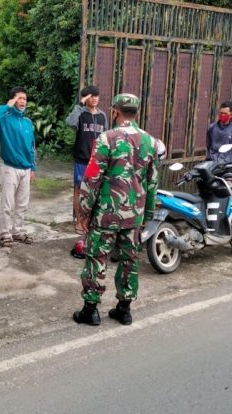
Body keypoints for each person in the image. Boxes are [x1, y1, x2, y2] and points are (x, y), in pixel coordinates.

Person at [73, 93, 159, 326]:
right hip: (135, 215)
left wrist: (84, 211)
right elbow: (152, 184)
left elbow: (91, 179)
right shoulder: (151, 142)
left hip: (106, 214)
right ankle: (124, 309)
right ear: (137, 112)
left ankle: (90, 310)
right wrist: (147, 215)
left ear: (115, 111)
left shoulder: (106, 139)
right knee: (130, 260)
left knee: (97, 257)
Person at [0, 86, 37, 247]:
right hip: (10, 168)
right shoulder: (4, 118)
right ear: (12, 100)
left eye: (25, 99)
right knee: (7, 204)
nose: (22, 102)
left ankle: (18, 231)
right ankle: (5, 234)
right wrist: (7, 106)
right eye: (19, 98)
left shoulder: (27, 122)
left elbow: (32, 147)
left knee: (22, 204)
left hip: (26, 169)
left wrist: (33, 168)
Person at [66, 85, 107, 240]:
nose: (94, 98)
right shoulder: (80, 114)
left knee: (95, 192)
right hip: (82, 160)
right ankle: (78, 221)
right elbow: (69, 122)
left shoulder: (103, 116)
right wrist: (80, 105)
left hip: (98, 161)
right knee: (79, 191)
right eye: (91, 96)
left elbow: (106, 137)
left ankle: (89, 221)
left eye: (96, 95)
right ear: (85, 98)